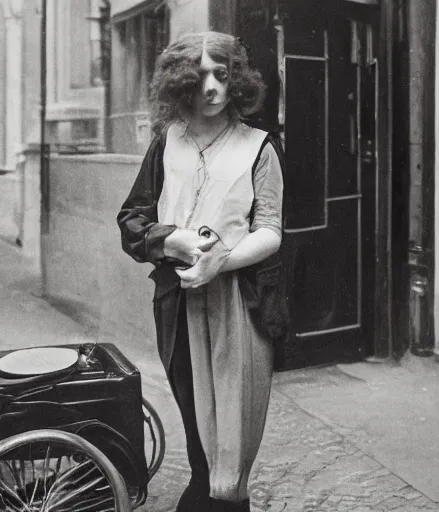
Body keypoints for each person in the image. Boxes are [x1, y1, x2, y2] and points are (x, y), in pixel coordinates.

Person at [117, 32, 286, 512]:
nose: (211, 87)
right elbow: (132, 221)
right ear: (180, 83)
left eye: (222, 74)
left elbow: (271, 229)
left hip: (240, 304)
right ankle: (203, 488)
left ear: (237, 80)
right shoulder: (165, 144)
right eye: (199, 77)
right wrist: (171, 240)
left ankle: (226, 500)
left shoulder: (260, 147)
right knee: (196, 422)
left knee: (234, 427)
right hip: (177, 302)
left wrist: (222, 261)